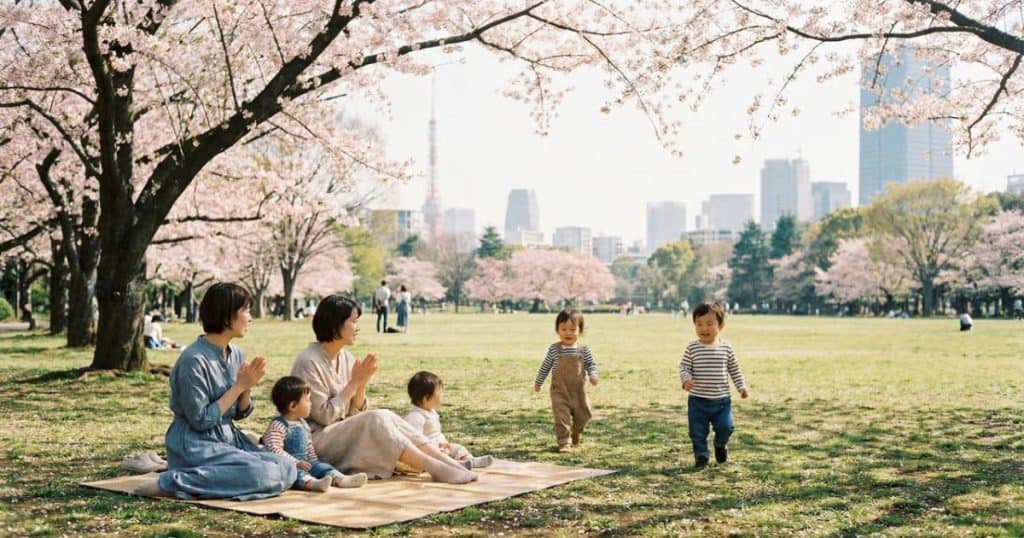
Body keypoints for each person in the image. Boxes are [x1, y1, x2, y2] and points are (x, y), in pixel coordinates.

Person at [133, 283, 296, 499]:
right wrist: (238, 386)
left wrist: (247, 387)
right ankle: (170, 482)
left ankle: (199, 479)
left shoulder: (237, 354)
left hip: (229, 440)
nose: (250, 318)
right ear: (227, 315)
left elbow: (239, 413)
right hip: (196, 443)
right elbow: (200, 420)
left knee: (287, 466)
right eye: (245, 310)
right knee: (262, 473)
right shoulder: (193, 360)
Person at [290, 295, 477, 484]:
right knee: (377, 417)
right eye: (353, 321)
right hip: (316, 444)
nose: (358, 328)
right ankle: (434, 466)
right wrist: (354, 383)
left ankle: (447, 463)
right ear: (335, 323)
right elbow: (324, 416)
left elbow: (355, 414)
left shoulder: (345, 357)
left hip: (343, 435)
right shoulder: (308, 362)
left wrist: (361, 384)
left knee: (386, 415)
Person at [262, 376, 367, 492]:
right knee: (296, 474)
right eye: (307, 400)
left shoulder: (303, 424)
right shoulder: (279, 425)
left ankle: (341, 480)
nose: (311, 404)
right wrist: (295, 462)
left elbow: (309, 447)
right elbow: (274, 449)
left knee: (323, 467)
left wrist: (315, 462)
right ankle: (313, 484)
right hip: (287, 465)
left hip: (307, 463)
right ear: (293, 406)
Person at [679, 301, 749, 469]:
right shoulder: (692, 348)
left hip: (721, 402)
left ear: (721, 325)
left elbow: (734, 369)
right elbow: (684, 367)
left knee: (726, 427)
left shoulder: (726, 348)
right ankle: (701, 456)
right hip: (698, 401)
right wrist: (686, 379)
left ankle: (720, 444)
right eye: (699, 324)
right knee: (697, 432)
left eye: (710, 324)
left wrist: (742, 387)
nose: (704, 329)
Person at [533, 309, 599, 453]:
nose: (568, 333)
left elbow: (591, 364)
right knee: (561, 417)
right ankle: (564, 442)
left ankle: (576, 431)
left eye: (572, 329)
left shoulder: (583, 350)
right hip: (559, 391)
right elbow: (545, 366)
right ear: (557, 330)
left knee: (585, 414)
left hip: (578, 392)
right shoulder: (554, 349)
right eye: (563, 329)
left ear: (580, 330)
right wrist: (538, 383)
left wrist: (593, 375)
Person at [403, 371, 494, 470]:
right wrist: (436, 449)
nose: (442, 395)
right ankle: (457, 464)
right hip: (429, 452)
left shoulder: (430, 411)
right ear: (426, 398)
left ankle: (470, 460)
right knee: (440, 459)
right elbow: (415, 441)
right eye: (439, 392)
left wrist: (443, 444)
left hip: (441, 447)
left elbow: (435, 433)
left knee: (458, 448)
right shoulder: (416, 416)